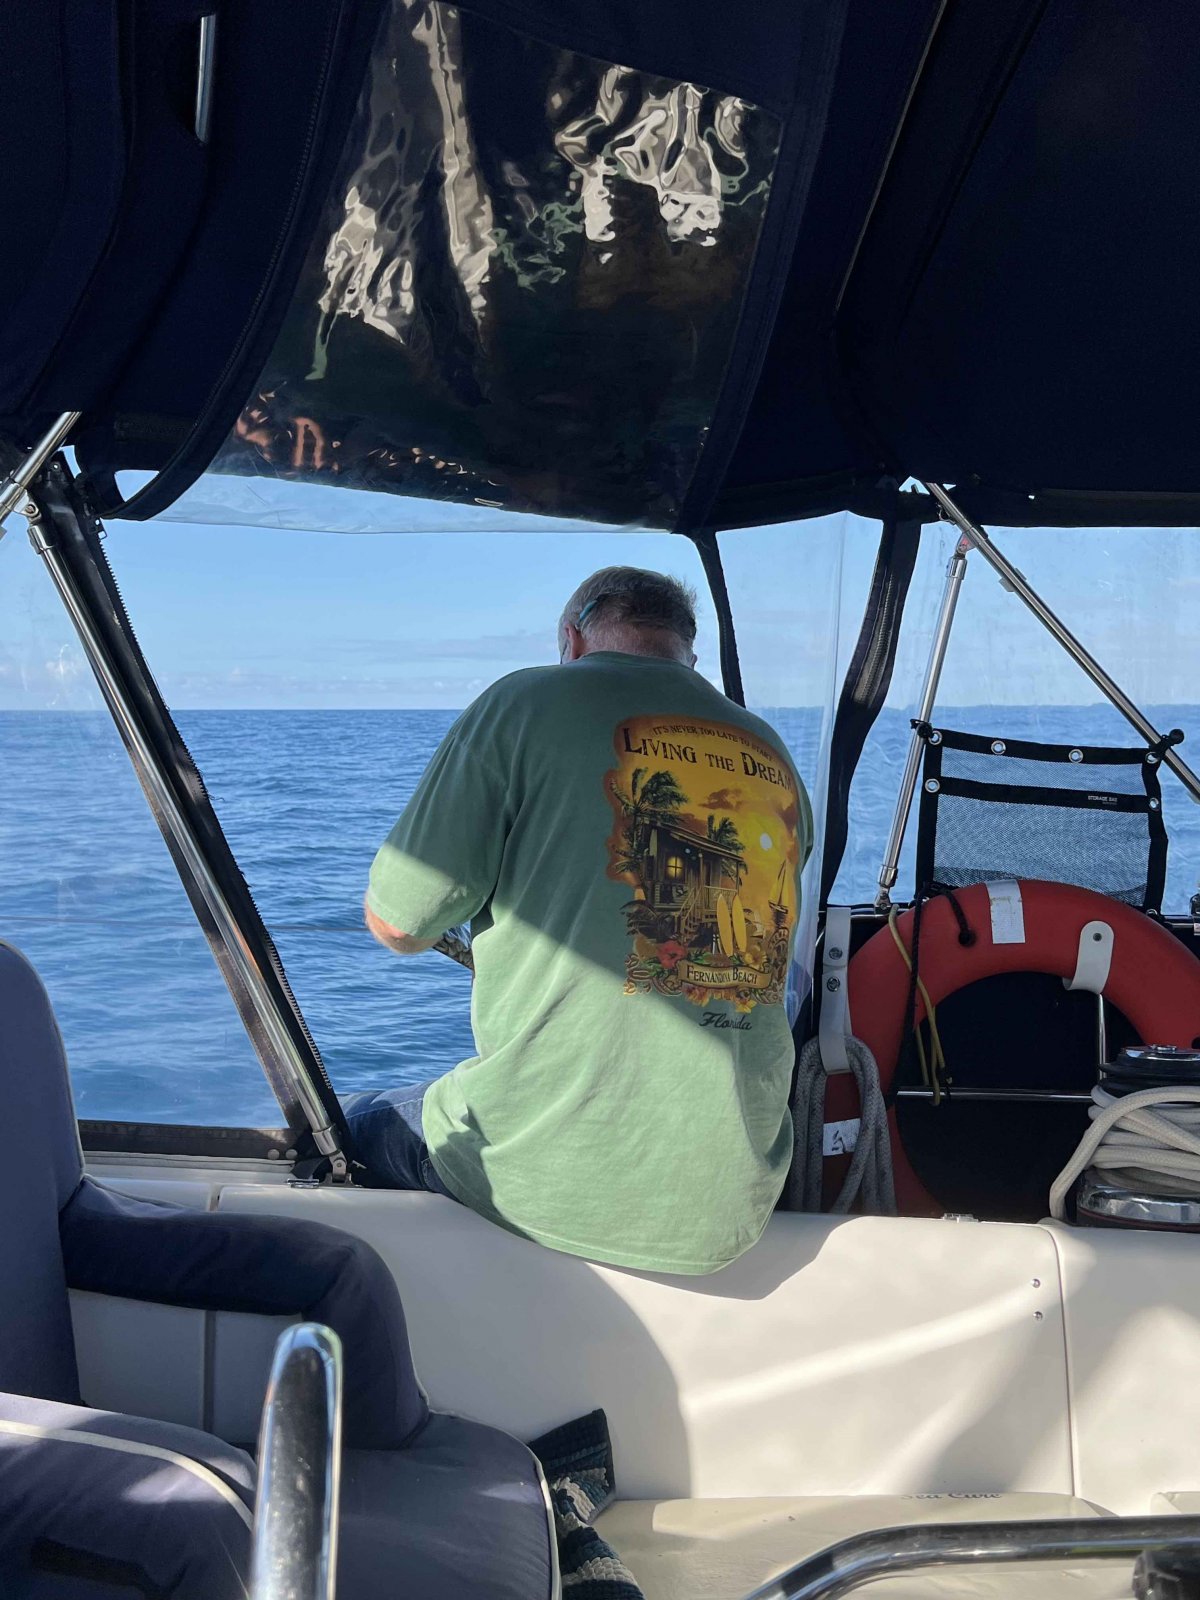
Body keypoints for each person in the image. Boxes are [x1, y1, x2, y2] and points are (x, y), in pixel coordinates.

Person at [345, 567, 812, 1274]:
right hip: (735, 1189)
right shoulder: (769, 750)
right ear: (688, 654)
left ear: (572, 638)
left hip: (551, 1173)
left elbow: (399, 924)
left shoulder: (523, 701)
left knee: (349, 1122)